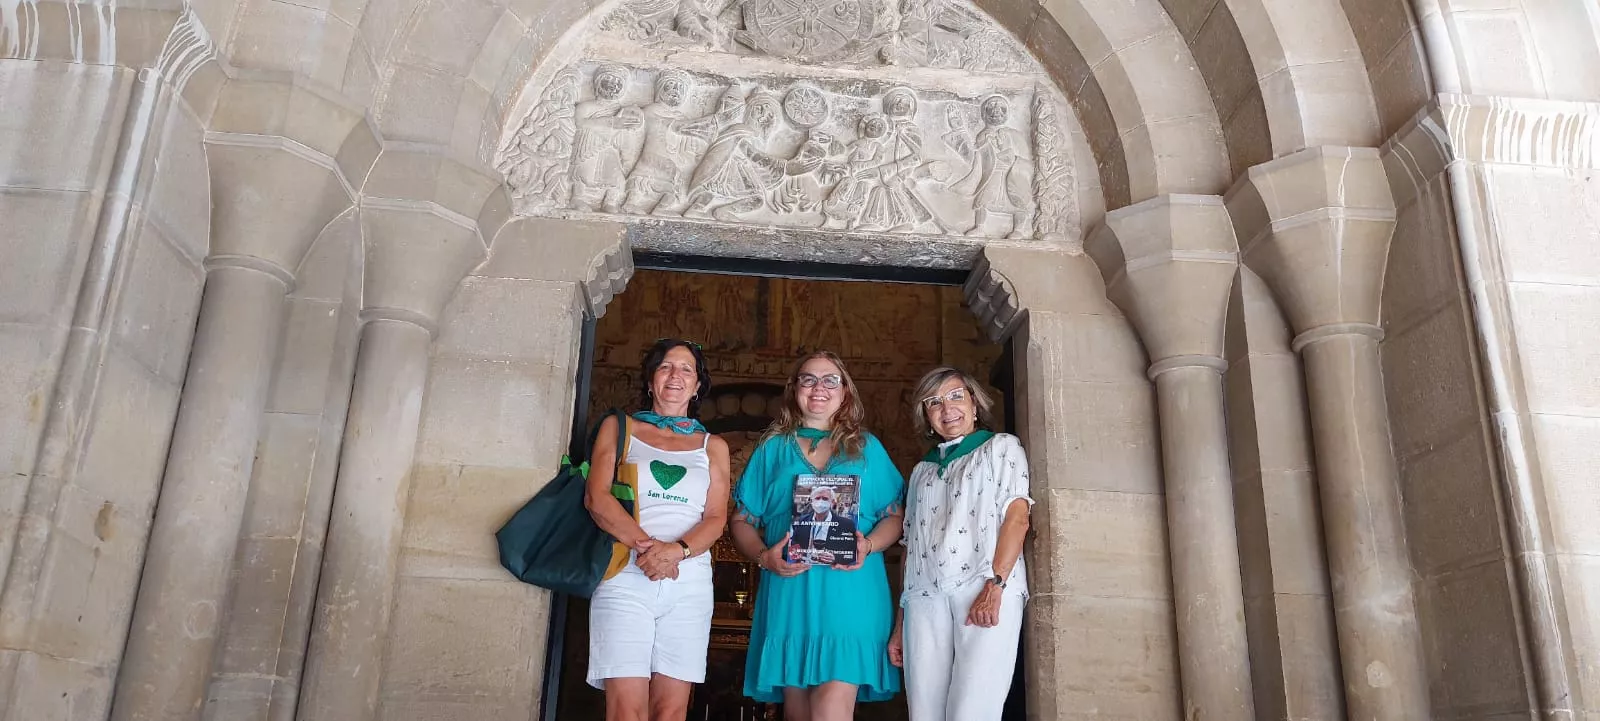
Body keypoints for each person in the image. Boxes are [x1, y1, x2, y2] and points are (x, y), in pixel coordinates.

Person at [729, 351, 905, 721]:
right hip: (790, 591)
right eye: (808, 379)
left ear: (845, 392)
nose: (818, 388)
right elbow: (742, 521)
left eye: (830, 380)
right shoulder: (772, 448)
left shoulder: (867, 447)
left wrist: (869, 544)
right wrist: (764, 557)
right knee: (797, 714)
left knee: (830, 713)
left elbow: (896, 518)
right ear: (794, 389)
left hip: (851, 593)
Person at [584, 339, 732, 721]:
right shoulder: (620, 428)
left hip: (689, 580)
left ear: (698, 385)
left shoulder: (712, 446)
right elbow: (597, 498)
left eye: (686, 369)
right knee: (625, 710)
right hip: (625, 573)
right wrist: (648, 548)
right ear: (651, 380)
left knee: (671, 711)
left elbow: (716, 518)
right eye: (666, 366)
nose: (675, 376)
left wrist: (676, 551)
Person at [888, 367, 1031, 721]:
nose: (946, 408)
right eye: (933, 402)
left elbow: (1018, 517)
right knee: (923, 712)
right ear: (926, 415)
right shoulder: (922, 470)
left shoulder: (1001, 448)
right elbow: (911, 545)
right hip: (924, 595)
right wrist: (900, 623)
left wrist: (996, 585)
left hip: (982, 583)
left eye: (955, 396)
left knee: (973, 710)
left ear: (974, 403)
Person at [787, 486, 858, 564]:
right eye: (817, 498)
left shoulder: (846, 524)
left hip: (831, 569)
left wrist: (836, 558)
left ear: (832, 502)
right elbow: (794, 542)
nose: (820, 502)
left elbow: (853, 552)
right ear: (811, 501)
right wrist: (798, 558)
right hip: (805, 565)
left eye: (825, 498)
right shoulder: (802, 520)